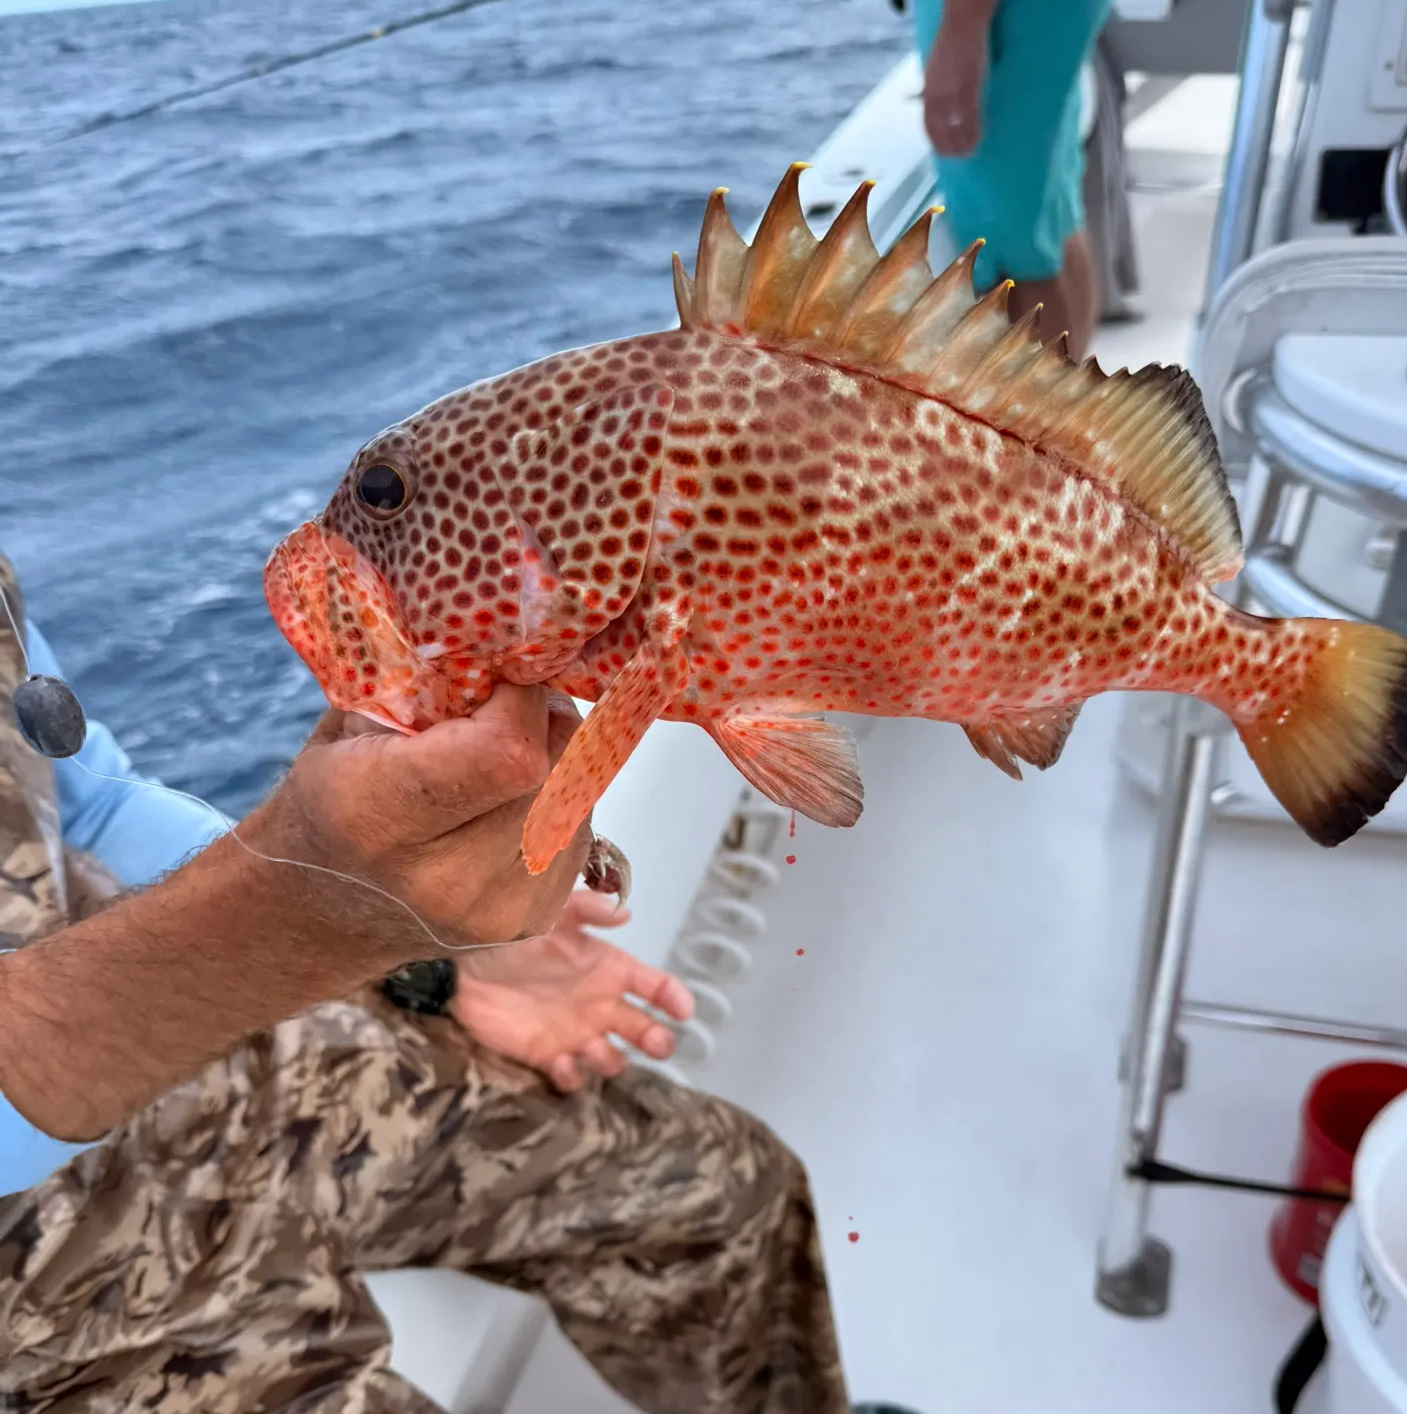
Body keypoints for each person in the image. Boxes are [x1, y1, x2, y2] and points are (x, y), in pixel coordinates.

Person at [0, 549, 849, 1412]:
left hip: (191, 1050)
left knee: (725, 1189)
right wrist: (326, 918)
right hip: (30, 1287)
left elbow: (96, 802)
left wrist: (417, 955)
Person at [875, 0, 1131, 351]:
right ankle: (1068, 414)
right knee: (1046, 217)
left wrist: (962, 29)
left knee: (1007, 246)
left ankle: (1040, 420)